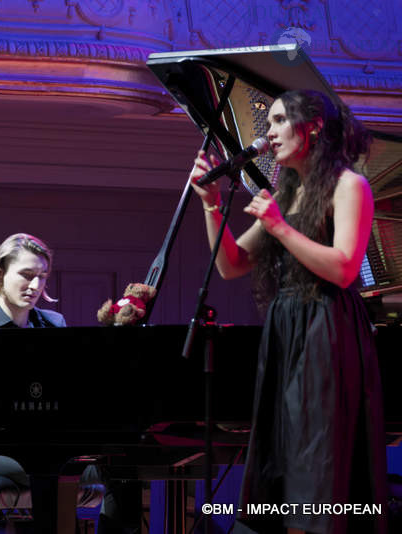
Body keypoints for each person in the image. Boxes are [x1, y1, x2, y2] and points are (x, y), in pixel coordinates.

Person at [190, 89, 386, 534]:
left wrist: (278, 226)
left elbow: (343, 267)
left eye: (279, 121)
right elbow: (230, 264)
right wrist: (211, 206)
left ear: (312, 125)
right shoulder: (288, 192)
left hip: (327, 329)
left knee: (316, 470)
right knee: (283, 470)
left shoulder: (349, 185)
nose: (269, 132)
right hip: (287, 330)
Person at [0, 233, 141, 534]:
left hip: (54, 441)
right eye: (26, 275)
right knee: (50, 466)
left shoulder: (53, 324)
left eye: (42, 277)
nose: (36, 286)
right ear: (0, 273)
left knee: (123, 465)